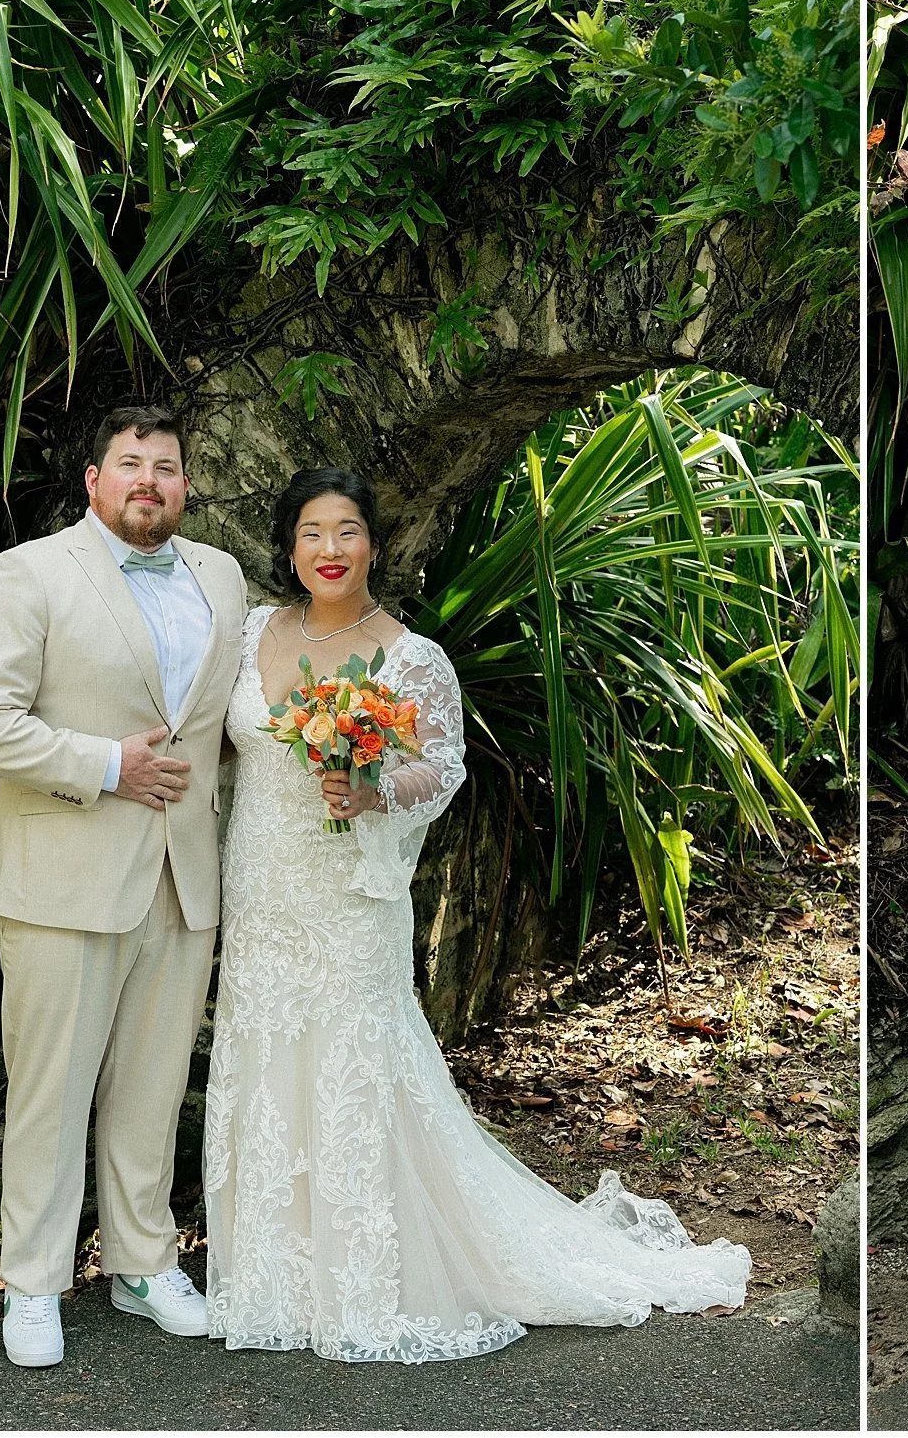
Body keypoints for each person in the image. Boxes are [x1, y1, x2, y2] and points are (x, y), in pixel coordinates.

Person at [201, 468, 751, 1362]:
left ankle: (368, 1273)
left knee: (351, 1064)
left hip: (348, 901)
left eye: (347, 531)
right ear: (289, 547)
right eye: (310, 532)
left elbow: (441, 768)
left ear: (374, 543)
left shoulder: (412, 657)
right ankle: (273, 1275)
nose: (328, 550)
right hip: (261, 892)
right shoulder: (256, 631)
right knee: (265, 1052)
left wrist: (373, 786)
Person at [0, 405, 248, 1368]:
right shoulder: (29, 573)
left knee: (153, 1088)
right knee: (49, 1089)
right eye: (130, 464)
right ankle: (32, 1283)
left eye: (165, 467)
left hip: (182, 875)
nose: (148, 482)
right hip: (61, 875)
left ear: (185, 486)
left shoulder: (221, 577)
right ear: (92, 479)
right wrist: (106, 763)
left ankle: (142, 1260)